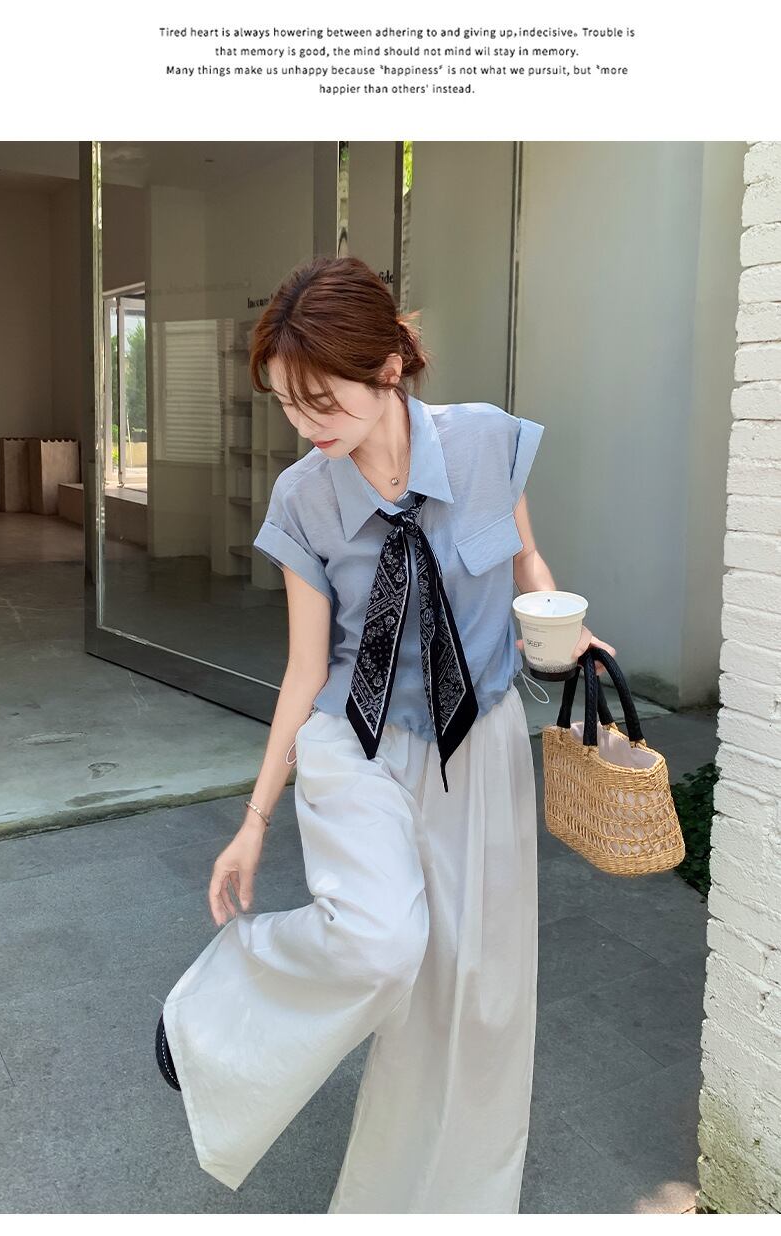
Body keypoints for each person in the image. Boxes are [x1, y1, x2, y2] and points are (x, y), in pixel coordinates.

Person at [156, 254, 616, 1213]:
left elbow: (528, 561)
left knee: (477, 992)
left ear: (390, 367)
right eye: (287, 404)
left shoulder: (486, 442)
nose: (305, 425)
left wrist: (561, 626)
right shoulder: (303, 498)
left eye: (321, 401)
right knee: (379, 944)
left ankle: (447, 1204)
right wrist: (254, 822)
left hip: (479, 743)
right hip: (355, 742)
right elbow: (304, 669)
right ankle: (207, 1013)